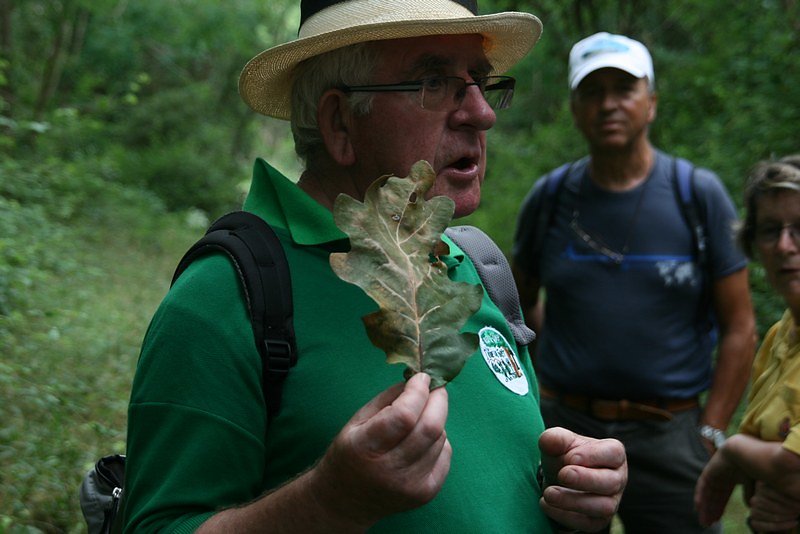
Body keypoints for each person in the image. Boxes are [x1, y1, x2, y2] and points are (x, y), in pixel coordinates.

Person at [120, 2, 627, 532]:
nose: (482, 113)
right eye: (434, 81)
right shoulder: (224, 298)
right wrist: (325, 503)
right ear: (339, 121)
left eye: (479, 80)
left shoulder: (477, 267)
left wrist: (568, 493)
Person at [512, 31, 756, 533]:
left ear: (652, 103)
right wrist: (542, 397)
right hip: (567, 431)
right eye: (592, 92)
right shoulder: (551, 198)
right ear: (575, 108)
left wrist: (709, 431)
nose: (608, 105)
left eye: (623, 89)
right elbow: (517, 310)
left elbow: (740, 326)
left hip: (671, 433)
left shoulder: (697, 196)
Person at [695, 155, 800, 533]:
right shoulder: (778, 337)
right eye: (771, 230)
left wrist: (732, 454)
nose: (786, 245)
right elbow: (768, 455)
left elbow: (791, 466)